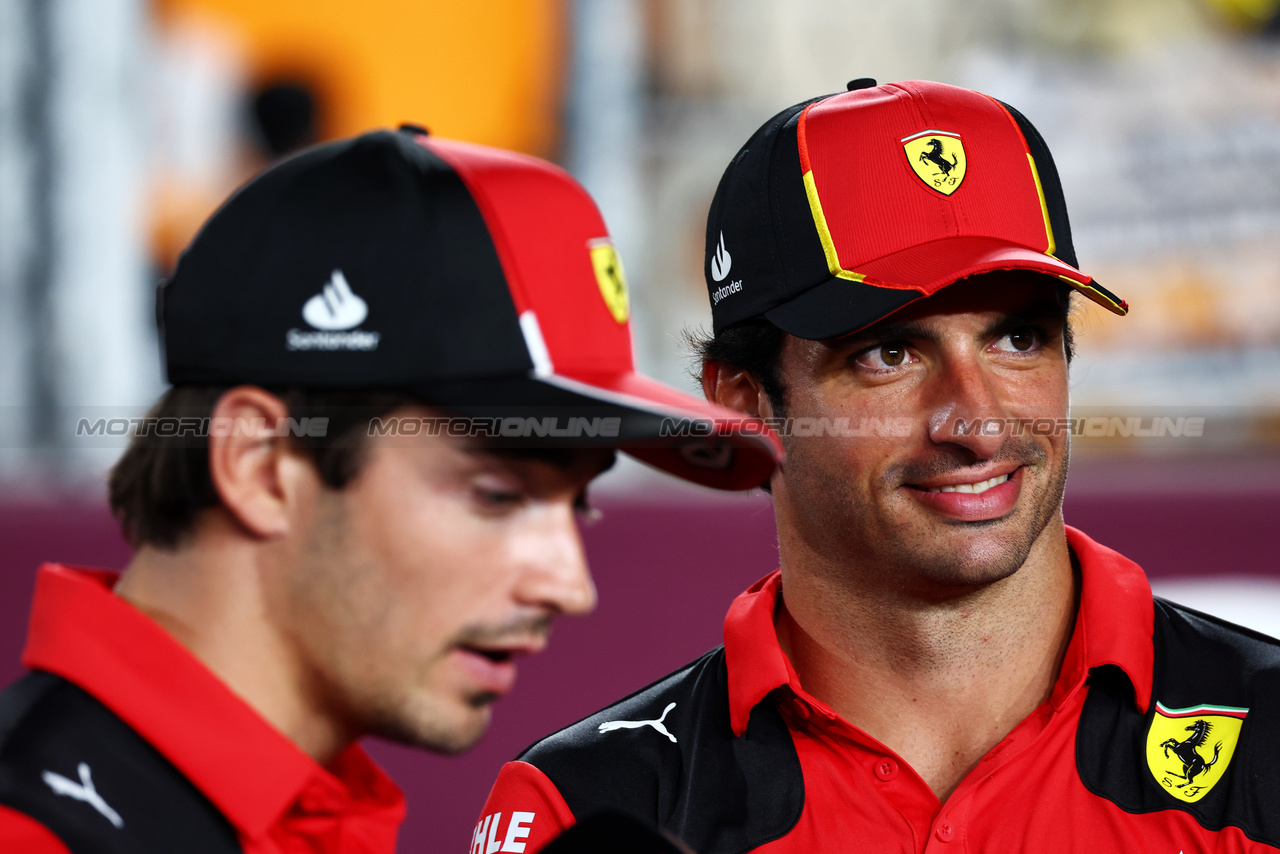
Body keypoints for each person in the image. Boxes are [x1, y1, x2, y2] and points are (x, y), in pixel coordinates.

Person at [475, 79, 1280, 852]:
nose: (978, 419)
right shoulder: (591, 808)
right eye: (890, 353)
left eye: (1017, 339)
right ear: (745, 405)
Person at [0, 126, 781, 853]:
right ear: (260, 466)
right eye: (497, 495)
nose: (569, 586)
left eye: (576, 502)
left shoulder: (299, 813)